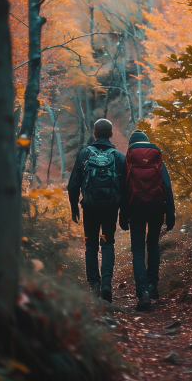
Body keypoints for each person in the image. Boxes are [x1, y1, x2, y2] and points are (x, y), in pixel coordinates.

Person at [67, 119, 125, 303]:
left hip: (90, 207)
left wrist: (74, 207)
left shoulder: (85, 153)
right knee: (107, 243)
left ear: (94, 134)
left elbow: (73, 185)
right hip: (110, 208)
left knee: (91, 245)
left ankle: (94, 285)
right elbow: (125, 187)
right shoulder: (118, 156)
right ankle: (106, 282)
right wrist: (123, 211)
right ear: (111, 134)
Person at [119, 130, 175, 311]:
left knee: (137, 251)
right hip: (157, 208)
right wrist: (171, 212)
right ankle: (153, 286)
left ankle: (142, 292)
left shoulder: (128, 159)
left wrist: (122, 214)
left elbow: (123, 188)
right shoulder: (156, 158)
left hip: (135, 209)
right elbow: (166, 184)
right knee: (153, 245)